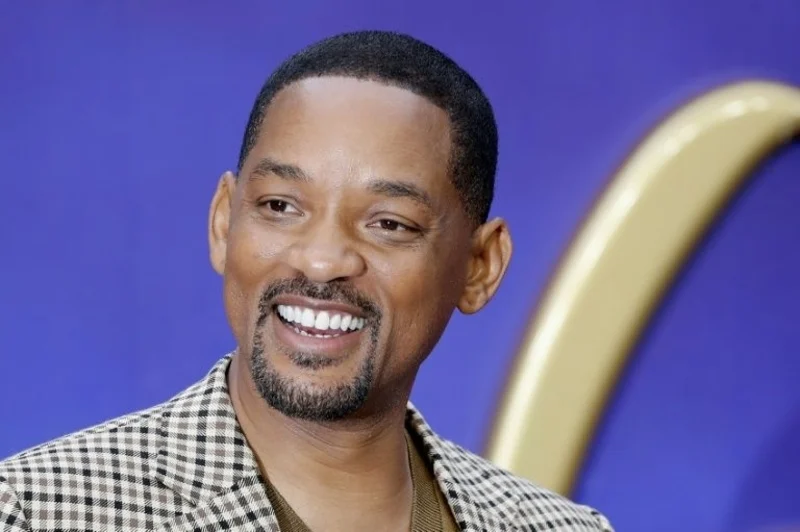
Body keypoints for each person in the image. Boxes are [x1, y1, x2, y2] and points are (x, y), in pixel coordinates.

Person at [0, 31, 613, 531]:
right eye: (279, 206)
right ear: (224, 221)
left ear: (480, 266)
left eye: (389, 223)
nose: (321, 261)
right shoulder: (36, 512)